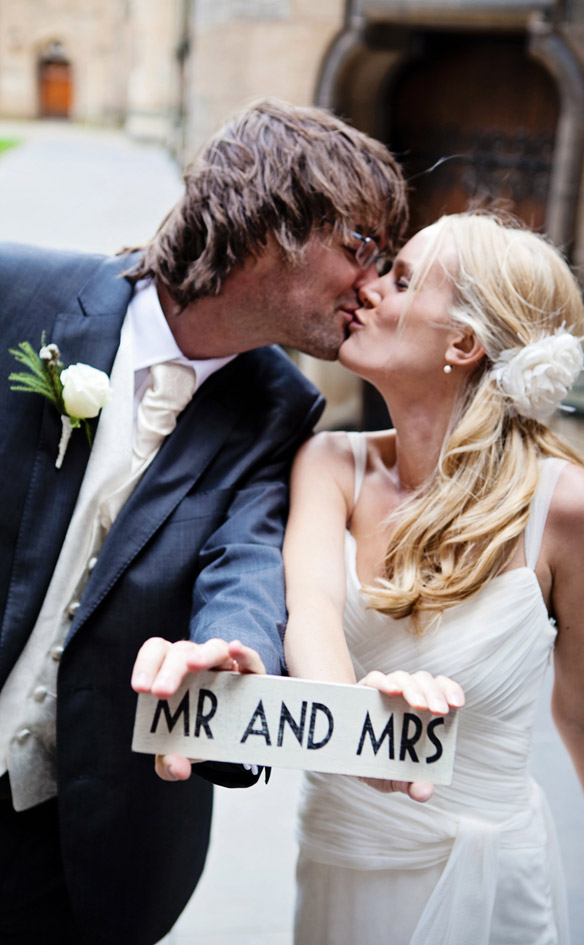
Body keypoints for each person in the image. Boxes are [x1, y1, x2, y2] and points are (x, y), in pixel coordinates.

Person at [0, 98, 408, 945]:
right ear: (272, 222)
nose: (373, 288)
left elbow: (248, 558)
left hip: (76, 845)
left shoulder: (279, 408)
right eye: (362, 248)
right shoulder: (19, 291)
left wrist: (231, 652)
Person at [283, 211, 584, 945]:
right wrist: (353, 718)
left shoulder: (565, 506)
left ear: (464, 343)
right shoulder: (331, 464)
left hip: (490, 871)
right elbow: (308, 610)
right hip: (345, 854)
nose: (368, 288)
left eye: (402, 278)